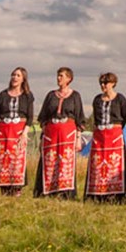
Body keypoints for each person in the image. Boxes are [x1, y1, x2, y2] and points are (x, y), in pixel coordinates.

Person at [34, 67, 85, 198]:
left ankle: (65, 193)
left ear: (69, 79)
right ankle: (45, 192)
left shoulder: (75, 96)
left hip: (67, 133)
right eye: (58, 75)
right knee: (49, 160)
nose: (58, 78)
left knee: (65, 161)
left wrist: (78, 138)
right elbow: (44, 117)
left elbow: (79, 118)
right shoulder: (51, 95)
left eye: (61, 76)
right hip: (51, 133)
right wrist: (42, 137)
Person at [0, 67, 35, 194]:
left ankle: (16, 193)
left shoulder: (27, 96)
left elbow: (30, 118)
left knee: (16, 162)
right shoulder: (2, 95)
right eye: (13, 75)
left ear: (23, 79)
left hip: (18, 133)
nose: (14, 77)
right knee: (3, 163)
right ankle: (4, 193)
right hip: (2, 133)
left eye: (18, 75)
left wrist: (24, 134)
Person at [84, 72, 126, 201]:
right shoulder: (97, 99)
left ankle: (115, 195)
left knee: (114, 164)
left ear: (113, 83)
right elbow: (96, 118)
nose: (103, 85)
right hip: (99, 135)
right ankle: (97, 195)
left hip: (114, 135)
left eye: (106, 83)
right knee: (98, 164)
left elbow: (124, 117)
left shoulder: (120, 99)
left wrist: (116, 128)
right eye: (101, 83)